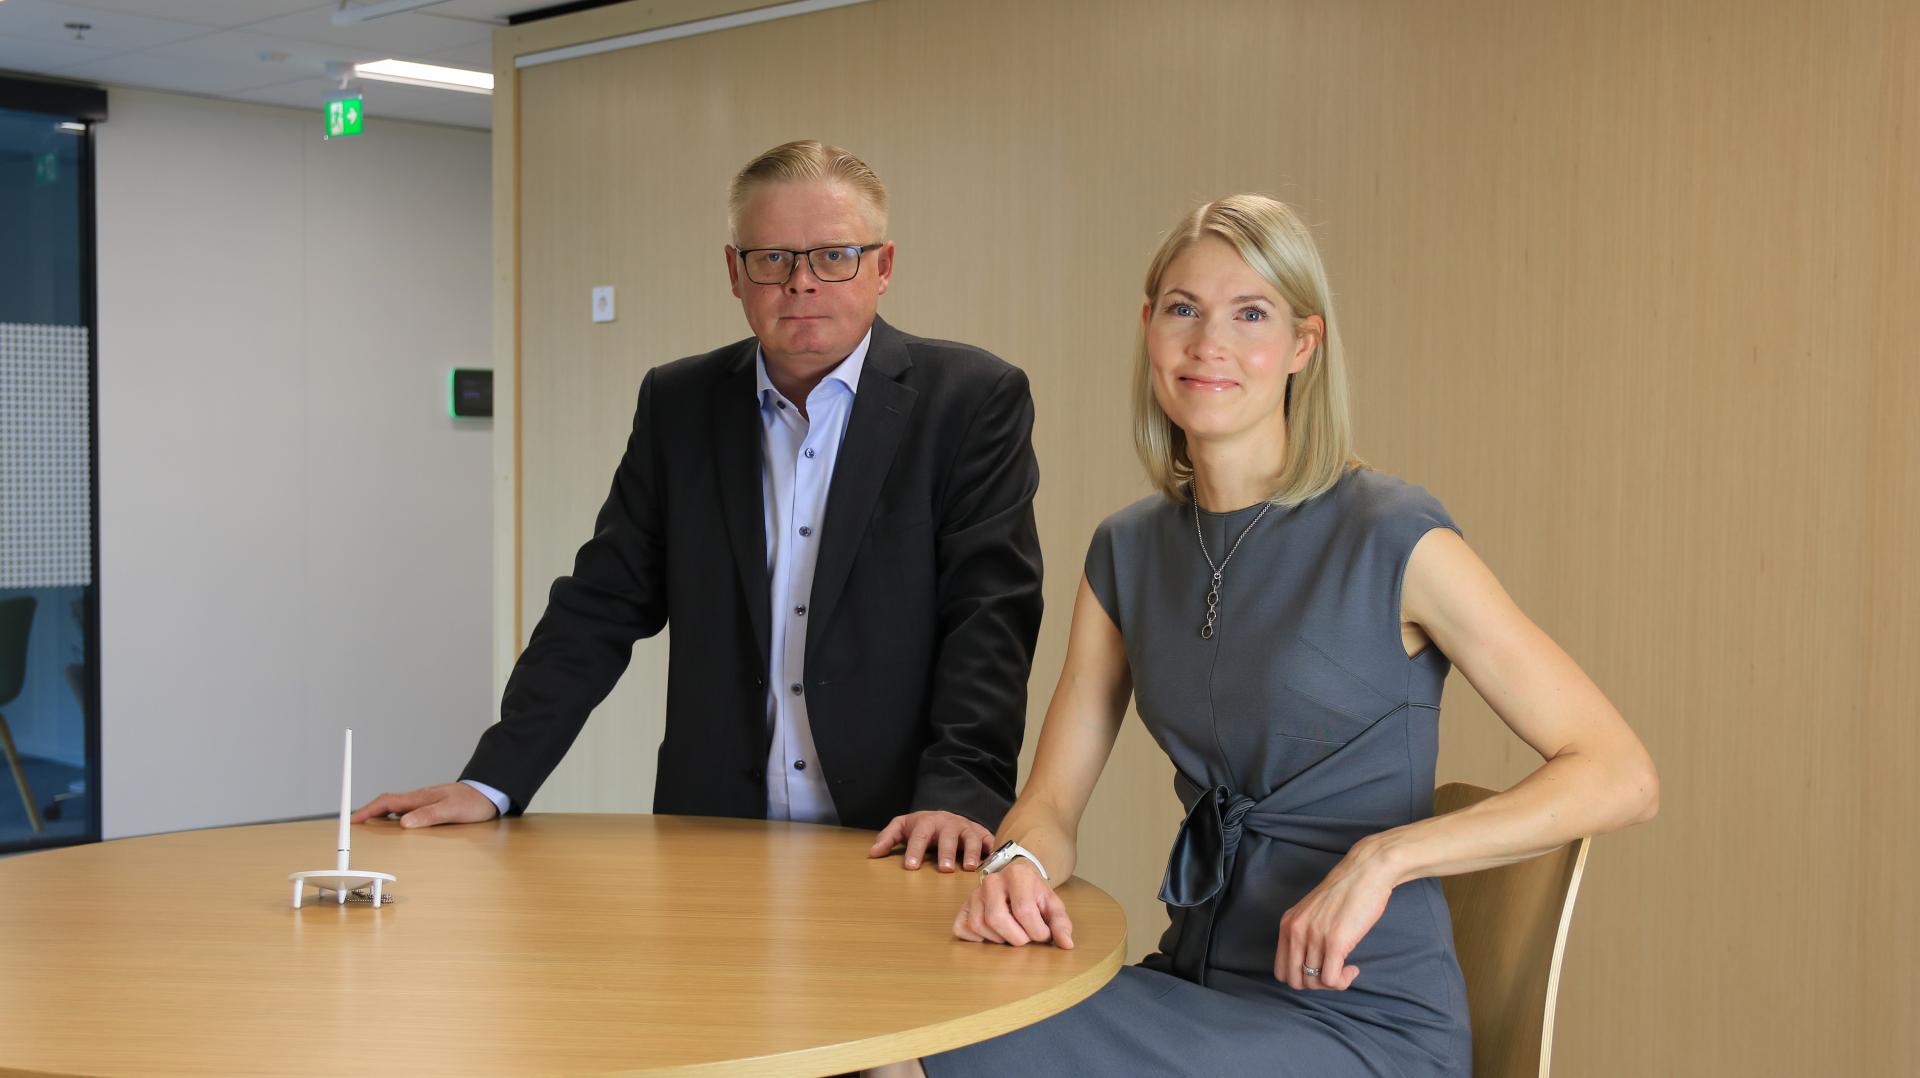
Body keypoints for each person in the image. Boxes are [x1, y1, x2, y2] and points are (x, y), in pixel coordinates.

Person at [900, 195, 1659, 1076]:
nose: (1208, 344)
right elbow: (1054, 801)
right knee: (917, 1015)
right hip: (1196, 991)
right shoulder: (1128, 549)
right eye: (1183, 309)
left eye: (1250, 314)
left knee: (934, 1052)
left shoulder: (1394, 535)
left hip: (1359, 1026)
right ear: (1150, 328)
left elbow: (1620, 773)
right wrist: (1021, 862)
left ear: (1304, 345)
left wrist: (1385, 858)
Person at [354, 141, 1044, 874]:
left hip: (904, 830)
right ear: (734, 273)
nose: (801, 283)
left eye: (834, 255)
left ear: (883, 266)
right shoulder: (679, 405)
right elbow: (600, 605)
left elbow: (989, 617)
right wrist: (491, 781)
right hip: (713, 833)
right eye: (772, 258)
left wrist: (961, 792)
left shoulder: (969, 400)